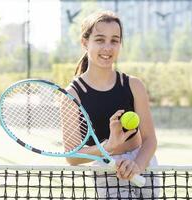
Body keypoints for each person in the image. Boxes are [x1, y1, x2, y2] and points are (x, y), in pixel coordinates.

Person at [65, 11, 159, 198]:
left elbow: (150, 140)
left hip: (143, 167)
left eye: (114, 40)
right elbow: (72, 156)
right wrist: (106, 148)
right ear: (85, 43)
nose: (108, 47)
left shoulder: (134, 85)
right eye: (100, 40)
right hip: (105, 172)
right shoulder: (72, 94)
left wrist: (137, 165)